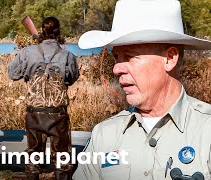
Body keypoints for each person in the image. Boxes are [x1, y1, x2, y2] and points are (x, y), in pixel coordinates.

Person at [73, 0, 211, 179]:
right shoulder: (104, 135)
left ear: (169, 58)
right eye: (116, 57)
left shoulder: (206, 130)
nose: (116, 69)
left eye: (130, 57)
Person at [8, 16, 79, 180]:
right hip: (58, 116)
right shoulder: (67, 55)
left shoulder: (27, 52)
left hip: (34, 115)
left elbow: (12, 74)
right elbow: (72, 78)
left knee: (33, 158)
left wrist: (32, 63)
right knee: (63, 159)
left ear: (42, 31)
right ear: (59, 32)